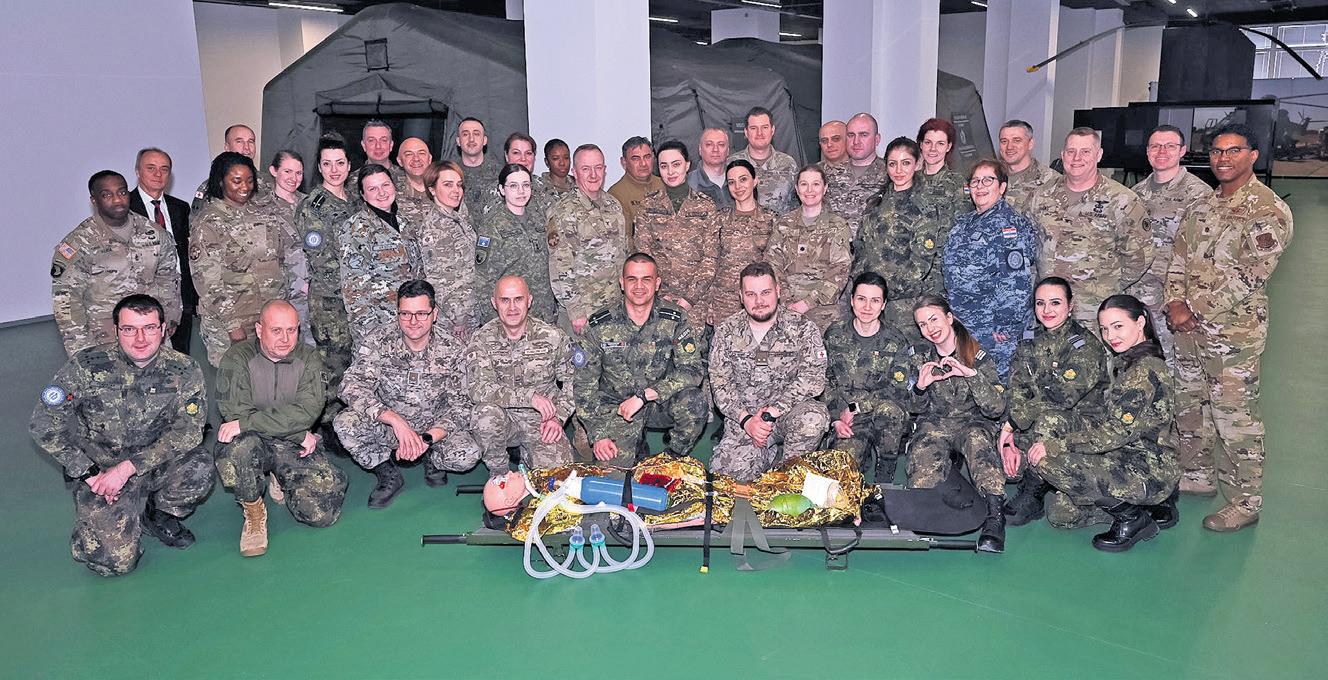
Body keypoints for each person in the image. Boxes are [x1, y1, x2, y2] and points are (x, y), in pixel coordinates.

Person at [1166, 122, 1293, 531]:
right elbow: (1178, 258)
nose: (1223, 158)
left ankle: (1245, 501)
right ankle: (1196, 474)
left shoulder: (1267, 209)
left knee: (1234, 417)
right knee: (1190, 405)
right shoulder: (1202, 204)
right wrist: (1174, 301)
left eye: (1233, 150)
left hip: (1234, 334)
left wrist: (1193, 308)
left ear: (1253, 155)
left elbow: (1252, 274)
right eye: (1217, 151)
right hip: (1188, 328)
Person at [30, 294, 212, 576]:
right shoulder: (86, 367)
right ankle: (97, 527)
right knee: (115, 563)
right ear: (116, 330)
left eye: (149, 328)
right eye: (129, 329)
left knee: (200, 466)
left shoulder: (184, 370)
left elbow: (188, 431)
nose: (140, 338)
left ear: (163, 329)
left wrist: (128, 468)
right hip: (101, 473)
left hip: (154, 461)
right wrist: (88, 473)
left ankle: (158, 514)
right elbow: (44, 424)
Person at [1016, 295, 1178, 552]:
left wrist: (1058, 445)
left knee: (1047, 461)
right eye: (1104, 329)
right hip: (1123, 454)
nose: (1110, 336)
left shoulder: (1143, 371)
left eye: (1118, 326)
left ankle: (1132, 518)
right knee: (1061, 515)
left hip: (1147, 468)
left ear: (1140, 322)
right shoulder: (1129, 360)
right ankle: (1137, 506)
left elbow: (1115, 432)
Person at [335, 280, 488, 508]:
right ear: (397, 313)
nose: (413, 321)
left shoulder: (453, 350)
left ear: (434, 314)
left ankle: (432, 457)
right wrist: (394, 420)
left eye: (421, 314)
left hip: (435, 429)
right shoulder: (379, 341)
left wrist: (428, 438)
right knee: (345, 424)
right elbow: (350, 385)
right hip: (391, 428)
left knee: (468, 454)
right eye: (405, 314)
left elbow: (462, 407)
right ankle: (386, 470)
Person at [214, 300, 347, 557]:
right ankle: (253, 510)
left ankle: (280, 474)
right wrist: (297, 433)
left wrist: (252, 423)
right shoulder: (237, 358)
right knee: (238, 448)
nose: (285, 339)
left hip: (289, 441)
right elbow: (236, 416)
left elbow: (307, 413)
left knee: (322, 514)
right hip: (255, 441)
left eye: (291, 330)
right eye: (276, 330)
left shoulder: (308, 358)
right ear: (259, 330)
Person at [574, 254, 708, 467]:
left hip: (657, 402)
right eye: (632, 279)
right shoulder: (600, 324)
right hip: (618, 409)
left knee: (694, 402)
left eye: (646, 279)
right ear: (622, 283)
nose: (639, 286)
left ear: (657, 283)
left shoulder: (675, 318)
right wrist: (598, 434)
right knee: (614, 475)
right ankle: (637, 446)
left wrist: (645, 396)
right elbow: (583, 384)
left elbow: (692, 369)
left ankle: (671, 458)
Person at [899, 296, 1008, 553]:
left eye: (934, 319)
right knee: (922, 484)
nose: (930, 328)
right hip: (935, 423)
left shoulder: (976, 354)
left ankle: (995, 516)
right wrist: (920, 388)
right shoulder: (919, 357)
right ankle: (949, 478)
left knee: (978, 443)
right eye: (923, 324)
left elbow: (996, 408)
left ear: (949, 318)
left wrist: (971, 375)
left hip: (972, 422)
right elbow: (912, 408)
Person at [1000, 277, 1109, 526]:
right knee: (1005, 467)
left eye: (1055, 302)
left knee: (1048, 421)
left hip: (1080, 424)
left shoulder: (1084, 346)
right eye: (1040, 303)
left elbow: (1060, 397)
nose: (1047, 310)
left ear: (1071, 306)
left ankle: (1034, 493)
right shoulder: (1029, 339)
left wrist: (1012, 425)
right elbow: (1018, 387)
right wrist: (1009, 438)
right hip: (1035, 417)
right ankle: (1037, 469)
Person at [708, 262, 829, 482]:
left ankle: (789, 472)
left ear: (778, 291)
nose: (759, 301)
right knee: (727, 479)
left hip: (787, 414)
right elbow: (720, 385)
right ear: (741, 296)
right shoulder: (726, 331)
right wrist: (747, 421)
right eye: (751, 294)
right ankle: (766, 458)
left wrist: (772, 412)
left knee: (813, 419)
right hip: (745, 421)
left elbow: (813, 378)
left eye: (765, 292)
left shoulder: (802, 328)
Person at [1027, 127, 1149, 329]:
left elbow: (1140, 255)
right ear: (1062, 155)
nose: (1077, 158)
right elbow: (1029, 246)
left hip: (1094, 312)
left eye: (1085, 152)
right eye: (1071, 151)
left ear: (1098, 155)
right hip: (1049, 311)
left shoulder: (1121, 200)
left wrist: (1106, 286)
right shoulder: (1040, 196)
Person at [52, 170, 182, 356]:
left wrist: (169, 317)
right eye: (107, 195)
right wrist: (82, 351)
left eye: (122, 192)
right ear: (94, 200)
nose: (117, 199)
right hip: (104, 338)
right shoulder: (78, 243)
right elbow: (66, 300)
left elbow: (168, 277)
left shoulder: (154, 232)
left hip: (151, 333)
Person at [190, 152, 298, 367]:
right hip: (232, 323)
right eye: (237, 180)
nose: (245, 187)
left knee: (271, 378)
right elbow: (207, 282)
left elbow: (280, 261)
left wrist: (282, 307)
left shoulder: (265, 214)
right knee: (236, 381)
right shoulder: (208, 222)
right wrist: (233, 326)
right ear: (221, 181)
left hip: (269, 319)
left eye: (249, 180)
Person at [942, 160, 1040, 380]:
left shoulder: (1008, 226)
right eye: (975, 181)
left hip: (993, 327)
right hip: (964, 323)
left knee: (995, 383)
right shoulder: (965, 222)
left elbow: (1016, 283)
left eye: (988, 180)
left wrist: (1005, 325)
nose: (980, 186)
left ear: (1002, 187)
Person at [465, 276, 575, 471]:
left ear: (529, 301)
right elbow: (478, 389)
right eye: (505, 300)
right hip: (503, 418)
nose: (512, 308)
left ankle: (528, 456)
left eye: (518, 299)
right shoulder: (481, 339)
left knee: (559, 476)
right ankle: (500, 472)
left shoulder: (552, 337)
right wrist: (529, 397)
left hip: (541, 420)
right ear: (494, 303)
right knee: (484, 415)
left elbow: (573, 382)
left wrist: (558, 416)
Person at [850, 137, 948, 331]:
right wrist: (863, 288)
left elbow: (920, 264)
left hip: (902, 304)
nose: (899, 170)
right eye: (893, 164)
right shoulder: (875, 202)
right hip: (868, 302)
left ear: (917, 164)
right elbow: (860, 248)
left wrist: (883, 293)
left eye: (906, 163)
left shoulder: (924, 207)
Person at [822, 272, 913, 482]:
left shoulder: (896, 340)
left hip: (882, 416)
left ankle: (886, 466)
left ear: (884, 305)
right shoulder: (834, 335)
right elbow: (826, 380)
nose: (867, 307)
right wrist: (836, 419)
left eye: (875, 301)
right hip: (849, 421)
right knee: (840, 474)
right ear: (852, 300)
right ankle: (861, 456)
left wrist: (856, 407)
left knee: (890, 411)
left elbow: (897, 390)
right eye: (861, 299)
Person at [1132, 125, 1211, 362]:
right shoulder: (1135, 194)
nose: (1162, 152)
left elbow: (1205, 253)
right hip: (1140, 292)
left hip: (1175, 298)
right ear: (1147, 151)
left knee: (1175, 360)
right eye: (1155, 146)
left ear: (1182, 150)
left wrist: (1186, 301)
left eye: (1170, 146)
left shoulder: (1199, 195)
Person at [294, 134, 356, 417]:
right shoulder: (315, 206)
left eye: (340, 163)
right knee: (333, 368)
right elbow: (322, 262)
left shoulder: (354, 200)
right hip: (332, 303)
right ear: (319, 167)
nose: (334, 170)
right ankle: (328, 423)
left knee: (355, 365)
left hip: (355, 301)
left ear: (349, 165)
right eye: (327, 163)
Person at [633, 140, 721, 326]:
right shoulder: (647, 205)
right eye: (664, 166)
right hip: (657, 300)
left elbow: (710, 258)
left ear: (687, 165)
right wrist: (659, 295)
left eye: (676, 164)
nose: (670, 172)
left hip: (695, 302)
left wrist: (689, 299)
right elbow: (643, 255)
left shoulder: (706, 206)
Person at [546, 144, 629, 336]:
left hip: (614, 307)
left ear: (605, 170)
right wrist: (576, 312)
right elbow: (560, 267)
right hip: (583, 313)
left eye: (598, 167)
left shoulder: (613, 205)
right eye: (586, 169)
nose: (593, 174)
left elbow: (622, 255)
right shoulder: (563, 212)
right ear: (574, 172)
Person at [338, 164, 422, 345]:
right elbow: (354, 291)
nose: (382, 193)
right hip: (379, 328)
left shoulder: (405, 222)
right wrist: (370, 336)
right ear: (363, 195)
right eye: (373, 189)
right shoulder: (356, 228)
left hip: (411, 323)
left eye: (385, 185)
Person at [764, 163, 852, 332]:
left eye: (816, 184)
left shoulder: (838, 226)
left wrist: (807, 303)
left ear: (825, 188)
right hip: (784, 309)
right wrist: (787, 301)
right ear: (797, 189)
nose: (809, 190)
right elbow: (772, 264)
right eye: (804, 184)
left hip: (823, 314)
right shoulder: (784, 224)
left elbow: (840, 270)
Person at [128, 147, 196, 354]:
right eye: (151, 168)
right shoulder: (125, 207)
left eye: (164, 169)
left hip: (180, 298)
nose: (158, 174)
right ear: (137, 171)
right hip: (142, 298)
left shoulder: (180, 207)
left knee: (180, 359)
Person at [473, 163, 558, 325]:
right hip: (511, 314)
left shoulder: (539, 218)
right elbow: (483, 279)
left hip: (544, 311)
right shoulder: (491, 226)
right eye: (513, 186)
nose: (521, 191)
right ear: (502, 190)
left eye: (525, 185)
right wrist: (493, 321)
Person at [707, 159, 778, 325]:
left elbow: (777, 265)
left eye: (743, 179)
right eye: (732, 182)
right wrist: (708, 303)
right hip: (724, 303)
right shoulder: (719, 219)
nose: (738, 186)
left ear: (755, 181)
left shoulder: (772, 219)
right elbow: (710, 262)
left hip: (760, 301)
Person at [414, 159, 477, 338]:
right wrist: (458, 318)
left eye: (459, 185)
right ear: (432, 189)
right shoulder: (433, 228)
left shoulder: (458, 219)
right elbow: (437, 280)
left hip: (471, 309)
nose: (456, 190)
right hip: (454, 321)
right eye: (448, 185)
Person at [265, 150, 311, 339]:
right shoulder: (262, 207)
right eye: (287, 171)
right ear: (274, 171)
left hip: (311, 292)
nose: (294, 178)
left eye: (298, 173)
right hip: (281, 293)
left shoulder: (309, 203)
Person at [824, 113, 887, 237]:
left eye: (863, 135)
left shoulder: (890, 175)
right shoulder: (828, 174)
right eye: (851, 135)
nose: (856, 141)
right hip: (833, 246)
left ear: (877, 139)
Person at [727, 106, 799, 214]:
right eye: (753, 128)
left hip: (780, 224)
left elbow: (797, 206)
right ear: (746, 132)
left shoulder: (788, 164)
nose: (759, 133)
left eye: (764, 127)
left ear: (772, 130)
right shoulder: (731, 164)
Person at [192, 123, 268, 211]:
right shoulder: (211, 186)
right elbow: (197, 217)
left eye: (251, 141)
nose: (247, 147)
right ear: (227, 147)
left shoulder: (268, 182)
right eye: (239, 141)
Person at [606, 136, 665, 244]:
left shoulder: (665, 185)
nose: (643, 164)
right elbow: (623, 241)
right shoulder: (616, 195)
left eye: (647, 157)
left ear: (653, 158)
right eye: (635, 158)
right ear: (624, 162)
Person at [998, 119, 1059, 214]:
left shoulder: (1052, 181)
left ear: (1030, 144)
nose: (1009, 147)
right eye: (1004, 141)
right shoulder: (990, 177)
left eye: (1016, 140)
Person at [915, 118, 968, 223]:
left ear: (948, 147)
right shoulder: (910, 180)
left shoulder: (958, 183)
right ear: (921, 145)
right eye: (928, 142)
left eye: (940, 143)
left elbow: (963, 222)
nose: (933, 148)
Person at [457, 117, 499, 214]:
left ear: (484, 140)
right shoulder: (449, 174)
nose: (471, 139)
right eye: (465, 134)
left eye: (476, 134)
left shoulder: (500, 173)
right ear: (458, 141)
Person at [688, 127, 733, 209]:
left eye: (721, 145)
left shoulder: (739, 181)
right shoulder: (688, 183)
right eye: (709, 144)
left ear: (728, 150)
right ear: (700, 149)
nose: (715, 149)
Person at [360, 119, 403, 186]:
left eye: (383, 140)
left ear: (391, 145)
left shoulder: (407, 178)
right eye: (371, 140)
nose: (378, 146)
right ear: (364, 145)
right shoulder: (350, 182)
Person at [395, 137, 433, 201]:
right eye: (409, 154)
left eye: (421, 153)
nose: (416, 159)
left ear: (429, 159)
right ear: (400, 161)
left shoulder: (443, 186)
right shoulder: (391, 190)